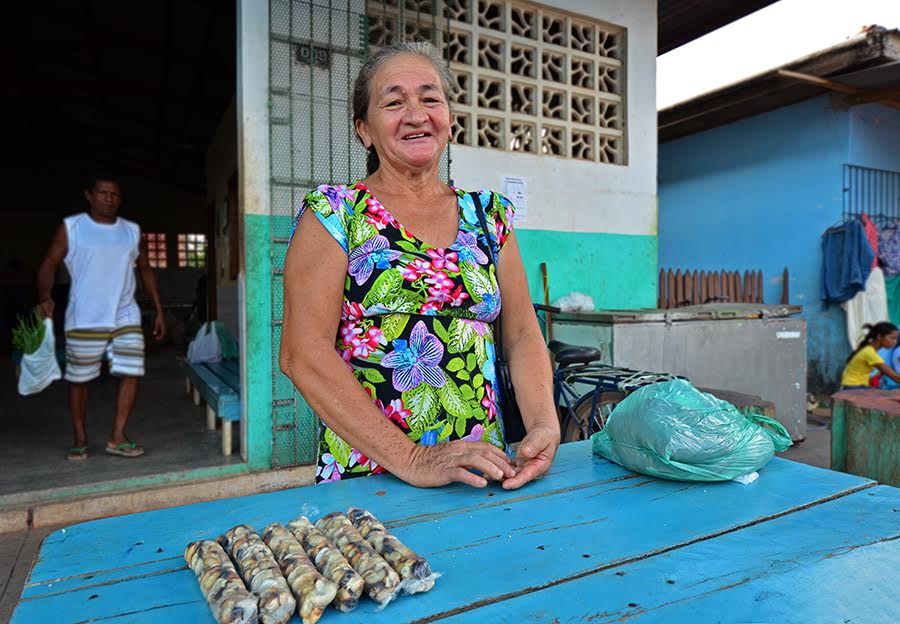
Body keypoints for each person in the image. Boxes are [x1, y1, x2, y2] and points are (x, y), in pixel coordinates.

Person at [279, 42, 560, 489]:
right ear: (364, 130)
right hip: (371, 476)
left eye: (431, 99)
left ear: (449, 120)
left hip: (483, 472)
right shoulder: (335, 213)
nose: (415, 114)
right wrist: (412, 459)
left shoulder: (490, 216)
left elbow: (523, 334)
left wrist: (543, 423)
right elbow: (302, 353)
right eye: (393, 102)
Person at [37, 175, 166, 460]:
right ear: (89, 195)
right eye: (103, 192)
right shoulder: (73, 227)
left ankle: (117, 436)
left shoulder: (131, 231)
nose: (109, 198)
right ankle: (80, 437)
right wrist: (45, 295)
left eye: (115, 194)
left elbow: (145, 269)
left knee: (132, 371)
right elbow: (50, 261)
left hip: (125, 313)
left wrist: (158, 309)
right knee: (79, 379)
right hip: (85, 315)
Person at [840, 322, 900, 390]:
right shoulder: (869, 353)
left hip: (856, 385)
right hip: (853, 387)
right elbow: (895, 377)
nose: (894, 342)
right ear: (879, 337)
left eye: (896, 339)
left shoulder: (869, 349)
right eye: (892, 338)